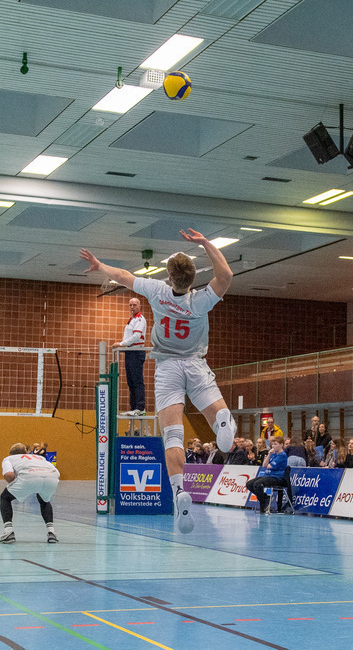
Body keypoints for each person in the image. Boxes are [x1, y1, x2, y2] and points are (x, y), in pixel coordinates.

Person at [81, 228, 235, 534]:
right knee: (212, 408)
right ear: (192, 278)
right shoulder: (201, 301)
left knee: (173, 437)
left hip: (166, 368)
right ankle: (222, 420)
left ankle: (179, 491)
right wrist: (206, 243)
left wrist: (101, 267)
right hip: (195, 364)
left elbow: (124, 276)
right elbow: (226, 275)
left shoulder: (156, 291)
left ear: (169, 276)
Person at [0, 443, 60, 544]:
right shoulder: (38, 457)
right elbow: (55, 470)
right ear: (26, 452)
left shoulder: (8, 459)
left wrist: (16, 485)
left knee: (5, 497)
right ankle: (52, 533)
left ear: (11, 453)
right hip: (52, 477)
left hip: (29, 476)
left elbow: (9, 475)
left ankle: (8, 532)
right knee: (44, 500)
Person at [114, 297, 147, 416]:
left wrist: (122, 344)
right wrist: (123, 345)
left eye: (134, 305)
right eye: (130, 305)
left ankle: (140, 407)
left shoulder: (139, 319)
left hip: (136, 352)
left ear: (139, 306)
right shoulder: (131, 320)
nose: (132, 307)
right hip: (129, 352)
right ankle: (134, 408)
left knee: (137, 380)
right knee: (131, 381)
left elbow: (136, 336)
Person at [245, 437, 291, 515]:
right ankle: (266, 498)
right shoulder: (273, 454)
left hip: (277, 477)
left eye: (275, 444)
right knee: (249, 484)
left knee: (258, 484)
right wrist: (269, 454)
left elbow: (269, 466)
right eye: (272, 444)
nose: (273, 446)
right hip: (268, 475)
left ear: (281, 445)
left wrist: (269, 457)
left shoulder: (282, 455)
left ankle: (263, 504)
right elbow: (264, 465)